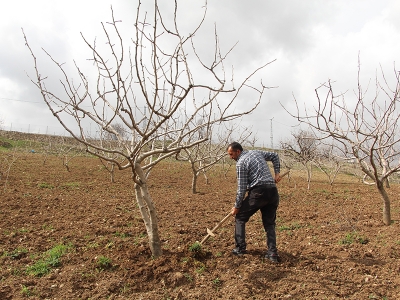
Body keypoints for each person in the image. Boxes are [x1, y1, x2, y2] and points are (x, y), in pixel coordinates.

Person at [227, 141, 281, 262]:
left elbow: (241, 188)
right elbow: (275, 156)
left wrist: (237, 206)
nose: (231, 157)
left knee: (240, 217)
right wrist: (277, 173)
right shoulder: (256, 152)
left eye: (231, 154)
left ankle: (240, 248)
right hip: (272, 191)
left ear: (238, 151)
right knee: (269, 223)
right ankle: (272, 254)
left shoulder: (241, 163)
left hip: (259, 192)